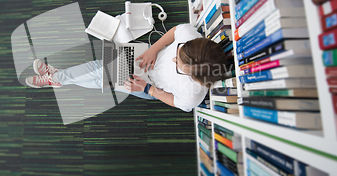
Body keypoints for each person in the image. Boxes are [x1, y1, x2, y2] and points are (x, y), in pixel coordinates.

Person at [26, 24, 228, 112]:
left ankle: (57, 77)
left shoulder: (193, 93)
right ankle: (58, 78)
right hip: (146, 57)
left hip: (147, 85)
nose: (174, 59)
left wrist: (147, 89)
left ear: (193, 76)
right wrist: (155, 49)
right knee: (102, 72)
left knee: (101, 74)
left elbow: (174, 101)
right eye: (178, 52)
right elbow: (176, 31)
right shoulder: (192, 38)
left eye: (179, 64)